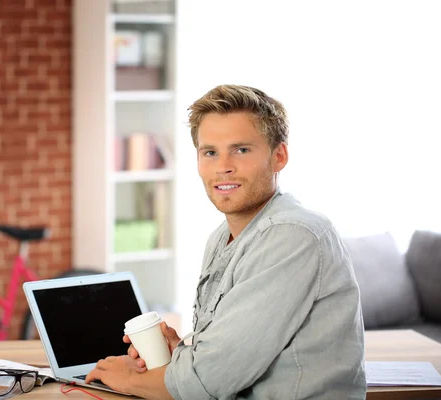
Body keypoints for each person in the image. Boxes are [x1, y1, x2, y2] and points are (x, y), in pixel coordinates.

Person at [86, 84, 366, 399]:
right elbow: (227, 359)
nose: (223, 167)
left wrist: (130, 380)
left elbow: (206, 382)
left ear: (279, 156)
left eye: (241, 149)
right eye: (210, 152)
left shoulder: (292, 235)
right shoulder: (222, 237)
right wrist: (180, 352)